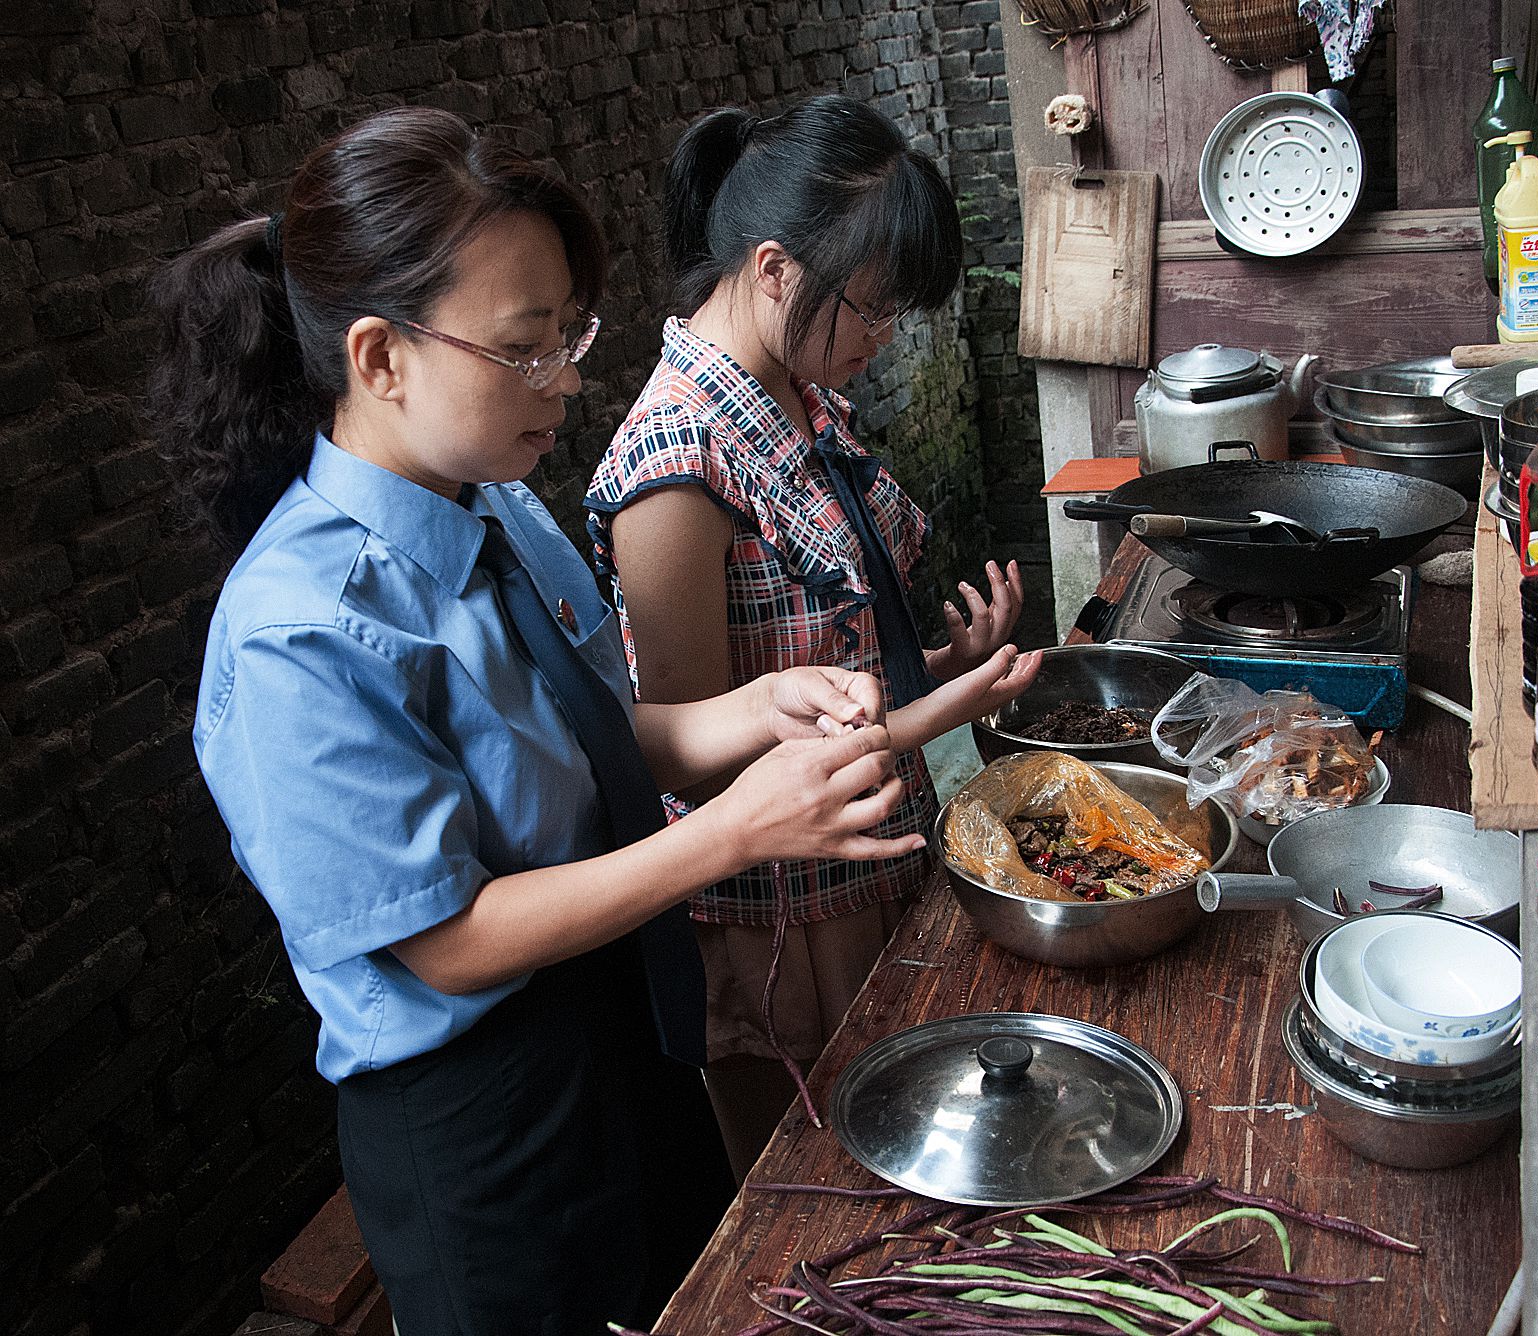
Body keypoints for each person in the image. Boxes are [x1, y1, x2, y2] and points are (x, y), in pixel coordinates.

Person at [148, 106, 971, 1334]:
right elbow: (446, 942)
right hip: (486, 1116)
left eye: (569, 335)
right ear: (380, 358)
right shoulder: (300, 628)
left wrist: (752, 710)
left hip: (620, 1021)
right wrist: (731, 834)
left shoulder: (501, 512)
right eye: (527, 347)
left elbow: (595, 732)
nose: (572, 380)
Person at [585, 95, 1040, 1179]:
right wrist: (944, 711)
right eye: (873, 311)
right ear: (776, 268)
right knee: (828, 1188)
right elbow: (699, 755)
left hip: (873, 854)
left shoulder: (791, 391)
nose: (883, 342)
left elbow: (807, 671)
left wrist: (936, 665)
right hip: (784, 914)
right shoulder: (675, 462)